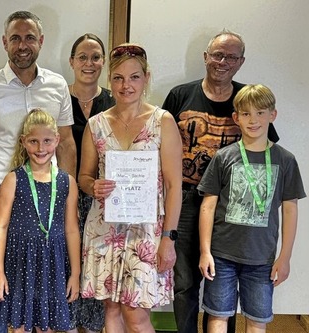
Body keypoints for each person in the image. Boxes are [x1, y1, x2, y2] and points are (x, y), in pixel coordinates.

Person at [0, 11, 76, 333]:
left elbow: (66, 142)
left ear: (40, 41)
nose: (22, 45)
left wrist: (65, 193)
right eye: (15, 38)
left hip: (48, 197)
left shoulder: (56, 86)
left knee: (45, 278)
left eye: (29, 37)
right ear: (4, 42)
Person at [162, 29, 279, 333]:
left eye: (231, 56)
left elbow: (268, 151)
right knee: (185, 282)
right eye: (217, 54)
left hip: (232, 207)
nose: (222, 61)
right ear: (206, 57)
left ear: (241, 62)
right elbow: (157, 146)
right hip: (186, 201)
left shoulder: (247, 101)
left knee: (222, 283)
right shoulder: (180, 95)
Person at [79, 44, 182, 333]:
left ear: (146, 78)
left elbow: (174, 186)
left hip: (146, 232)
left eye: (134, 77)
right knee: (111, 309)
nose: (127, 85)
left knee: (135, 314)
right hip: (104, 229)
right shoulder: (96, 125)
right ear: (109, 80)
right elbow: (84, 177)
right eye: (119, 78)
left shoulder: (162, 122)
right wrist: (93, 186)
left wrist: (169, 238)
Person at [197, 84, 305, 333]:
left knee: (257, 319)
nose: (253, 119)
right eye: (245, 113)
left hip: (262, 259)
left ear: (272, 115)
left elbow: (289, 210)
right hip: (221, 255)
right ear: (236, 118)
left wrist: (285, 257)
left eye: (260, 112)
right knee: (217, 316)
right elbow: (208, 206)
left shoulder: (285, 160)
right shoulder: (224, 157)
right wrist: (205, 251)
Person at [0, 109, 81, 332]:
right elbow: (1, 227)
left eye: (47, 141)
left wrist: (76, 274)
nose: (41, 148)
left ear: (57, 140)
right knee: (20, 324)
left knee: (48, 324)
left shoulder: (67, 182)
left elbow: (71, 229)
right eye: (33, 141)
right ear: (23, 142)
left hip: (54, 262)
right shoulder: (13, 179)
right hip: (22, 260)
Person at [66, 32, 115, 333]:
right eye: (82, 57)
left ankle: (95, 327)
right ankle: (68, 325)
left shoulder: (114, 100)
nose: (89, 63)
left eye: (95, 57)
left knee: (98, 264)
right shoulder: (58, 98)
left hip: (104, 199)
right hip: (65, 196)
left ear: (103, 63)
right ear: (71, 61)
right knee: (68, 262)